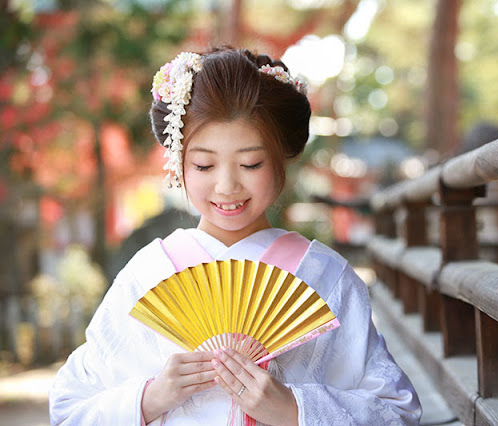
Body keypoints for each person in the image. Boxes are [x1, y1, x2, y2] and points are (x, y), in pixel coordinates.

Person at [49, 46, 422, 426]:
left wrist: (296, 410)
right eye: (204, 164)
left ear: (282, 159)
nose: (226, 185)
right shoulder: (148, 274)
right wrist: (149, 399)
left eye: (250, 163)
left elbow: (397, 411)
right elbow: (69, 408)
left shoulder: (325, 276)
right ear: (178, 163)